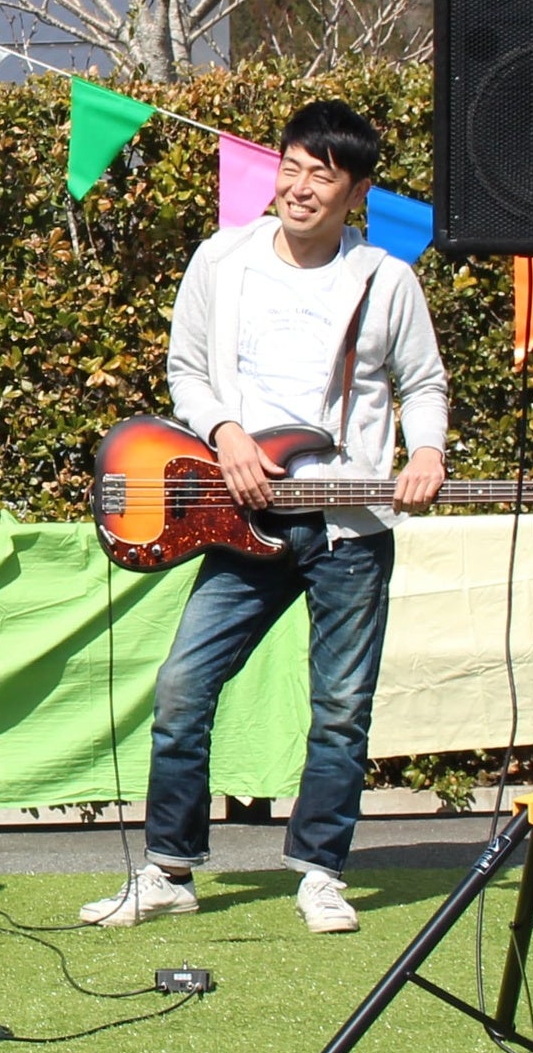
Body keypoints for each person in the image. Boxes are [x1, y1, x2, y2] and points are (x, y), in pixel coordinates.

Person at [86, 97, 445, 935]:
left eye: (323, 174)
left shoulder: (387, 280)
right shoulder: (224, 258)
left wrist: (425, 453)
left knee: (342, 705)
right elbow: (187, 368)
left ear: (356, 190)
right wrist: (228, 435)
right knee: (182, 686)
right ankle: (170, 867)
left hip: (349, 524)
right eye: (290, 166)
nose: (300, 186)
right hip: (240, 510)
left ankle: (320, 871)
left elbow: (423, 384)